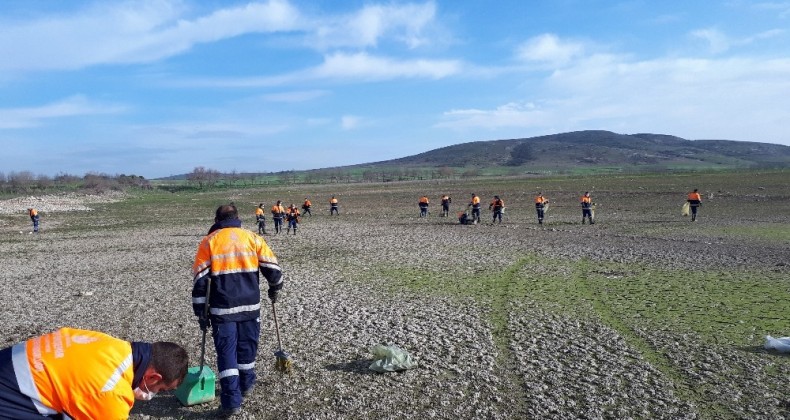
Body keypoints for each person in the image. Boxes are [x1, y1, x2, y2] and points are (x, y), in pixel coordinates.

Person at [192, 204, 283, 416]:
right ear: (237, 217)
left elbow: (200, 282)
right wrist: (275, 288)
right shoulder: (252, 238)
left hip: (222, 310)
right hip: (251, 306)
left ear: (216, 219)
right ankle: (247, 383)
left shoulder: (209, 242)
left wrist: (200, 312)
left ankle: (232, 401)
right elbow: (274, 270)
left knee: (226, 352)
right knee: (247, 347)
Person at [0, 327, 188, 419]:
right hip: (10, 394)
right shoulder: (112, 393)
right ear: (153, 377)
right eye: (161, 390)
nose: (154, 395)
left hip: (9, 360)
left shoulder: (114, 345)